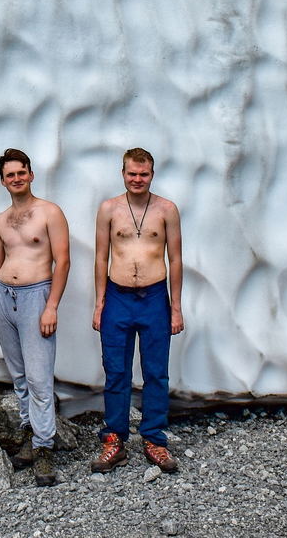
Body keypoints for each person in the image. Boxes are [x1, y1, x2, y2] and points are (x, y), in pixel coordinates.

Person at [0, 148, 71, 487]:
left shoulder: (49, 212)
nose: (16, 178)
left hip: (36, 296)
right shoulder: (0, 220)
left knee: (39, 376)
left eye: (22, 172)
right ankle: (31, 437)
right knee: (19, 375)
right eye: (10, 175)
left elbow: (63, 262)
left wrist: (52, 306)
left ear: (31, 174)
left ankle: (45, 447)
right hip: (4, 296)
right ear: (3, 181)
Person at [91, 147, 184, 474]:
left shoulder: (167, 210)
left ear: (152, 175)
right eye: (132, 173)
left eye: (143, 174)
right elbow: (101, 258)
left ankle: (154, 439)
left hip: (155, 298)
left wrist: (176, 307)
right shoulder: (109, 209)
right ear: (123, 173)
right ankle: (114, 440)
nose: (137, 179)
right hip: (117, 298)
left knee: (156, 372)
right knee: (116, 371)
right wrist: (100, 303)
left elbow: (175, 260)